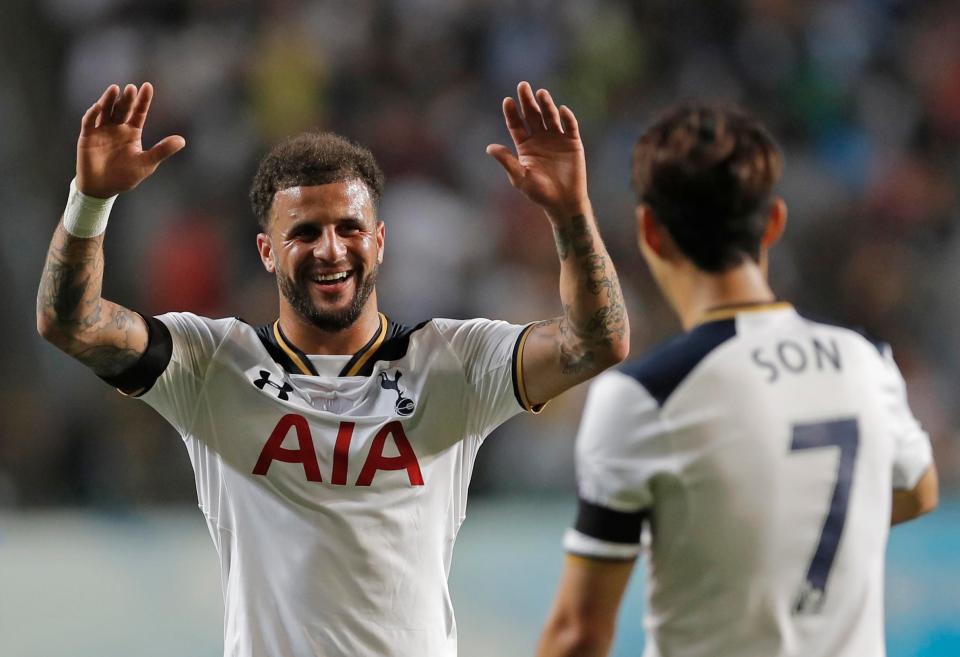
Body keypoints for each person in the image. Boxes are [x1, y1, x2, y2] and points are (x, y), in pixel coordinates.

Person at [36, 80, 628, 657]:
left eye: (349, 228)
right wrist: (90, 203)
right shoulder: (210, 363)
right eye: (305, 232)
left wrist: (571, 211)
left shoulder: (455, 362)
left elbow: (596, 343)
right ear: (267, 251)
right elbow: (73, 325)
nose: (331, 250)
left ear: (380, 240)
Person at [535, 104, 938, 657]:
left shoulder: (645, 396)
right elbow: (919, 490)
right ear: (773, 222)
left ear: (650, 231)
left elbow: (578, 634)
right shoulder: (868, 362)